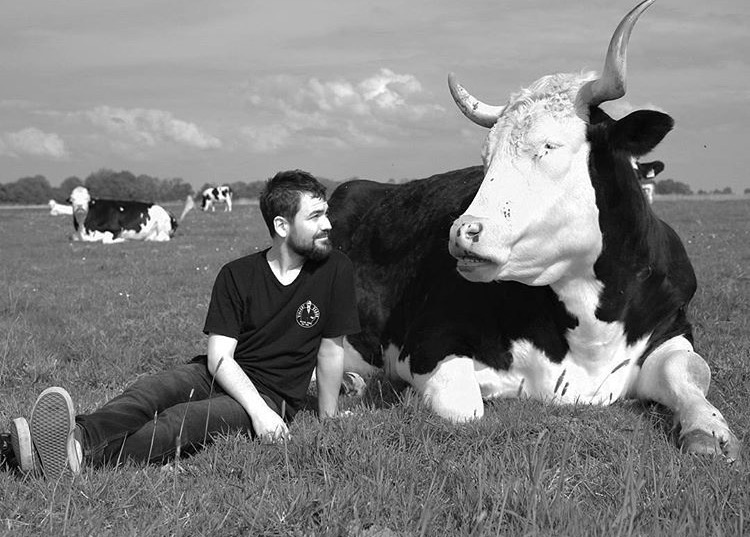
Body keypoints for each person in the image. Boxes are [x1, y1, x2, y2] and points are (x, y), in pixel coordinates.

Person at [5, 169, 360, 479]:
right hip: (214, 373)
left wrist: (316, 416)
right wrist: (255, 410)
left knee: (181, 422)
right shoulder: (237, 275)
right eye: (315, 216)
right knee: (148, 392)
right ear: (282, 225)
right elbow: (220, 356)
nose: (328, 224)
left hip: (272, 395)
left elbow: (330, 350)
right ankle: (73, 441)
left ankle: (44, 452)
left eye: (325, 213)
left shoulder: (335, 270)